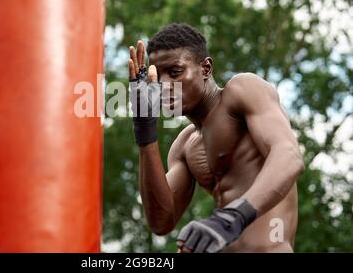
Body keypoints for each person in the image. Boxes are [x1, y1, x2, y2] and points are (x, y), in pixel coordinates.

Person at [128, 23, 304, 253]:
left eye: (175, 72)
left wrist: (232, 217)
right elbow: (161, 222)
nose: (164, 86)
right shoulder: (184, 145)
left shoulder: (242, 91)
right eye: (157, 77)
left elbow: (289, 156)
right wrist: (145, 130)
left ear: (205, 68)